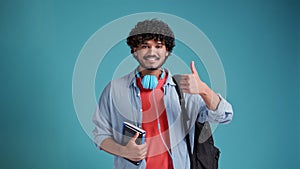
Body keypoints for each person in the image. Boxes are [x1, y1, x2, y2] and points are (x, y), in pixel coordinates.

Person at [92, 19, 233, 169]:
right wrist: (124, 151)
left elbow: (224, 115)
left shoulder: (186, 90)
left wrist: (204, 90)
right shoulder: (115, 89)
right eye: (145, 46)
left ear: (167, 51)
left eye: (158, 46)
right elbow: (100, 135)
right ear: (134, 50)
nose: (152, 52)